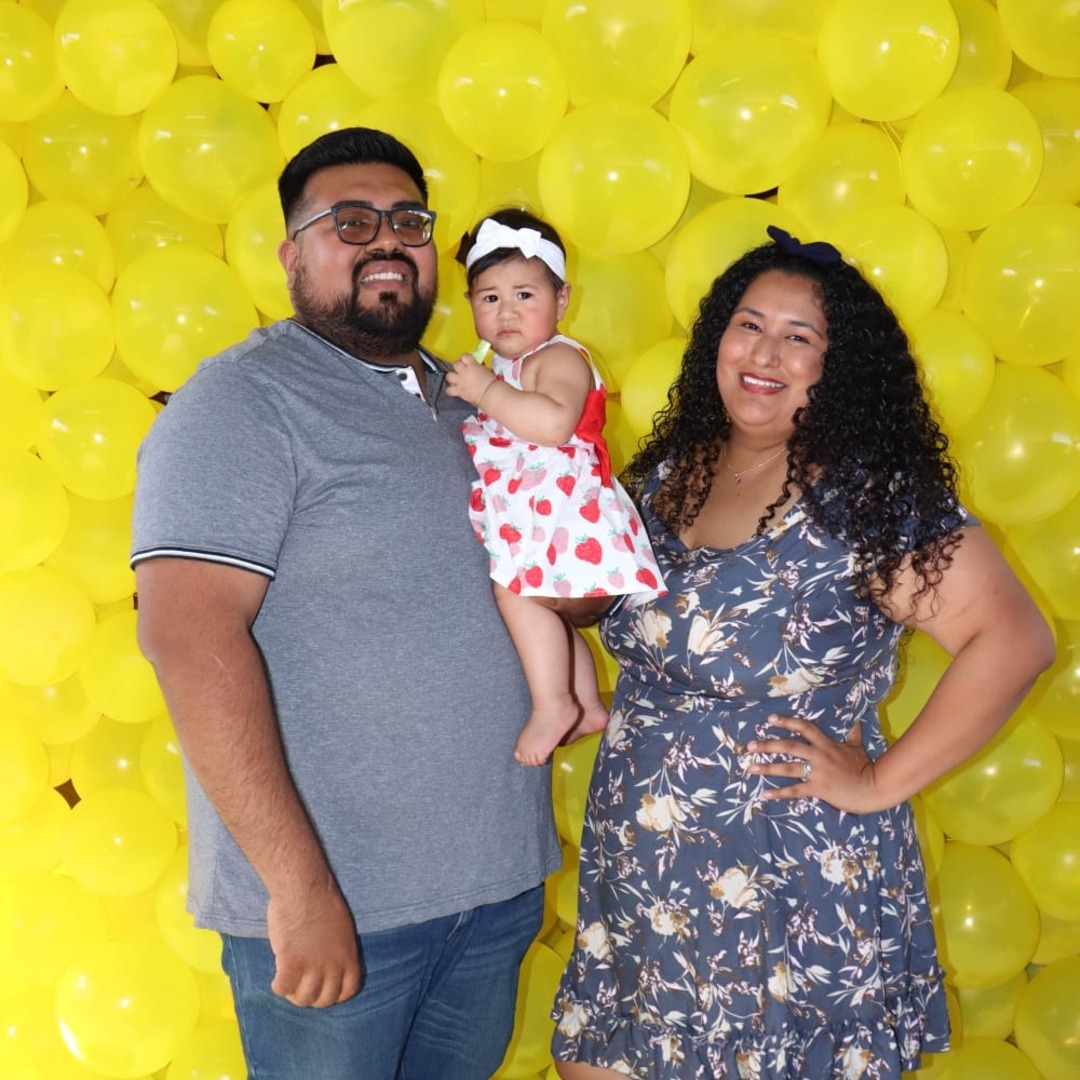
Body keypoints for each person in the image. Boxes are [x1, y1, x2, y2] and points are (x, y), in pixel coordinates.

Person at [549, 226, 1055, 1078]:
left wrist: (878, 782)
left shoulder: (868, 499)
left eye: (798, 337)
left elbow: (1014, 639)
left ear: (837, 367)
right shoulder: (668, 473)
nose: (764, 354)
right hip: (643, 874)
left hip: (786, 882)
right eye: (749, 325)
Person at [131, 127, 561, 1080]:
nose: (387, 241)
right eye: (351, 222)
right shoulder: (242, 402)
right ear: (292, 256)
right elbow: (187, 640)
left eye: (409, 221)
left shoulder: (476, 401)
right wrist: (299, 887)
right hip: (342, 914)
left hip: (495, 892)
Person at [445, 209, 664, 766]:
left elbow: (552, 424)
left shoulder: (560, 356)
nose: (507, 312)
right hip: (542, 514)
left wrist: (485, 391)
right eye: (490, 297)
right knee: (550, 613)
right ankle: (586, 704)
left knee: (517, 592)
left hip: (568, 514)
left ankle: (553, 703)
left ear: (562, 299)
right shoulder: (511, 365)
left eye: (524, 295)